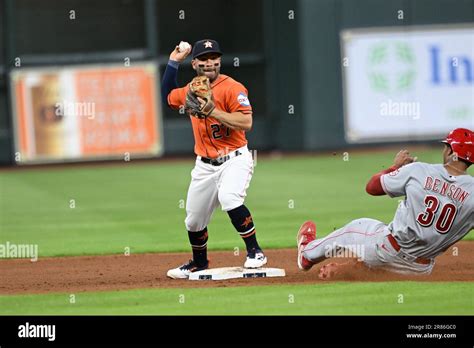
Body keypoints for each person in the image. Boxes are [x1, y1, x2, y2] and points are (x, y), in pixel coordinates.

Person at [297, 128, 474, 278]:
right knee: (378, 244)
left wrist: (396, 167)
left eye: (446, 147)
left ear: (452, 152)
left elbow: (372, 187)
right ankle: (352, 270)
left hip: (386, 251)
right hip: (419, 270)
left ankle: (307, 255)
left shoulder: (420, 170)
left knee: (357, 226)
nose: (444, 150)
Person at [161, 39, 267, 279]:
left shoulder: (232, 88)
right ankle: (199, 263)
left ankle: (255, 251)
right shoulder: (191, 89)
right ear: (195, 62)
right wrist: (173, 61)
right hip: (204, 165)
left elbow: (246, 122)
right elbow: (168, 96)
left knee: (229, 198)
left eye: (214, 58)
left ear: (219, 61)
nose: (210, 63)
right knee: (194, 220)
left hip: (234, 158)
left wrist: (213, 111)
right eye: (204, 59)